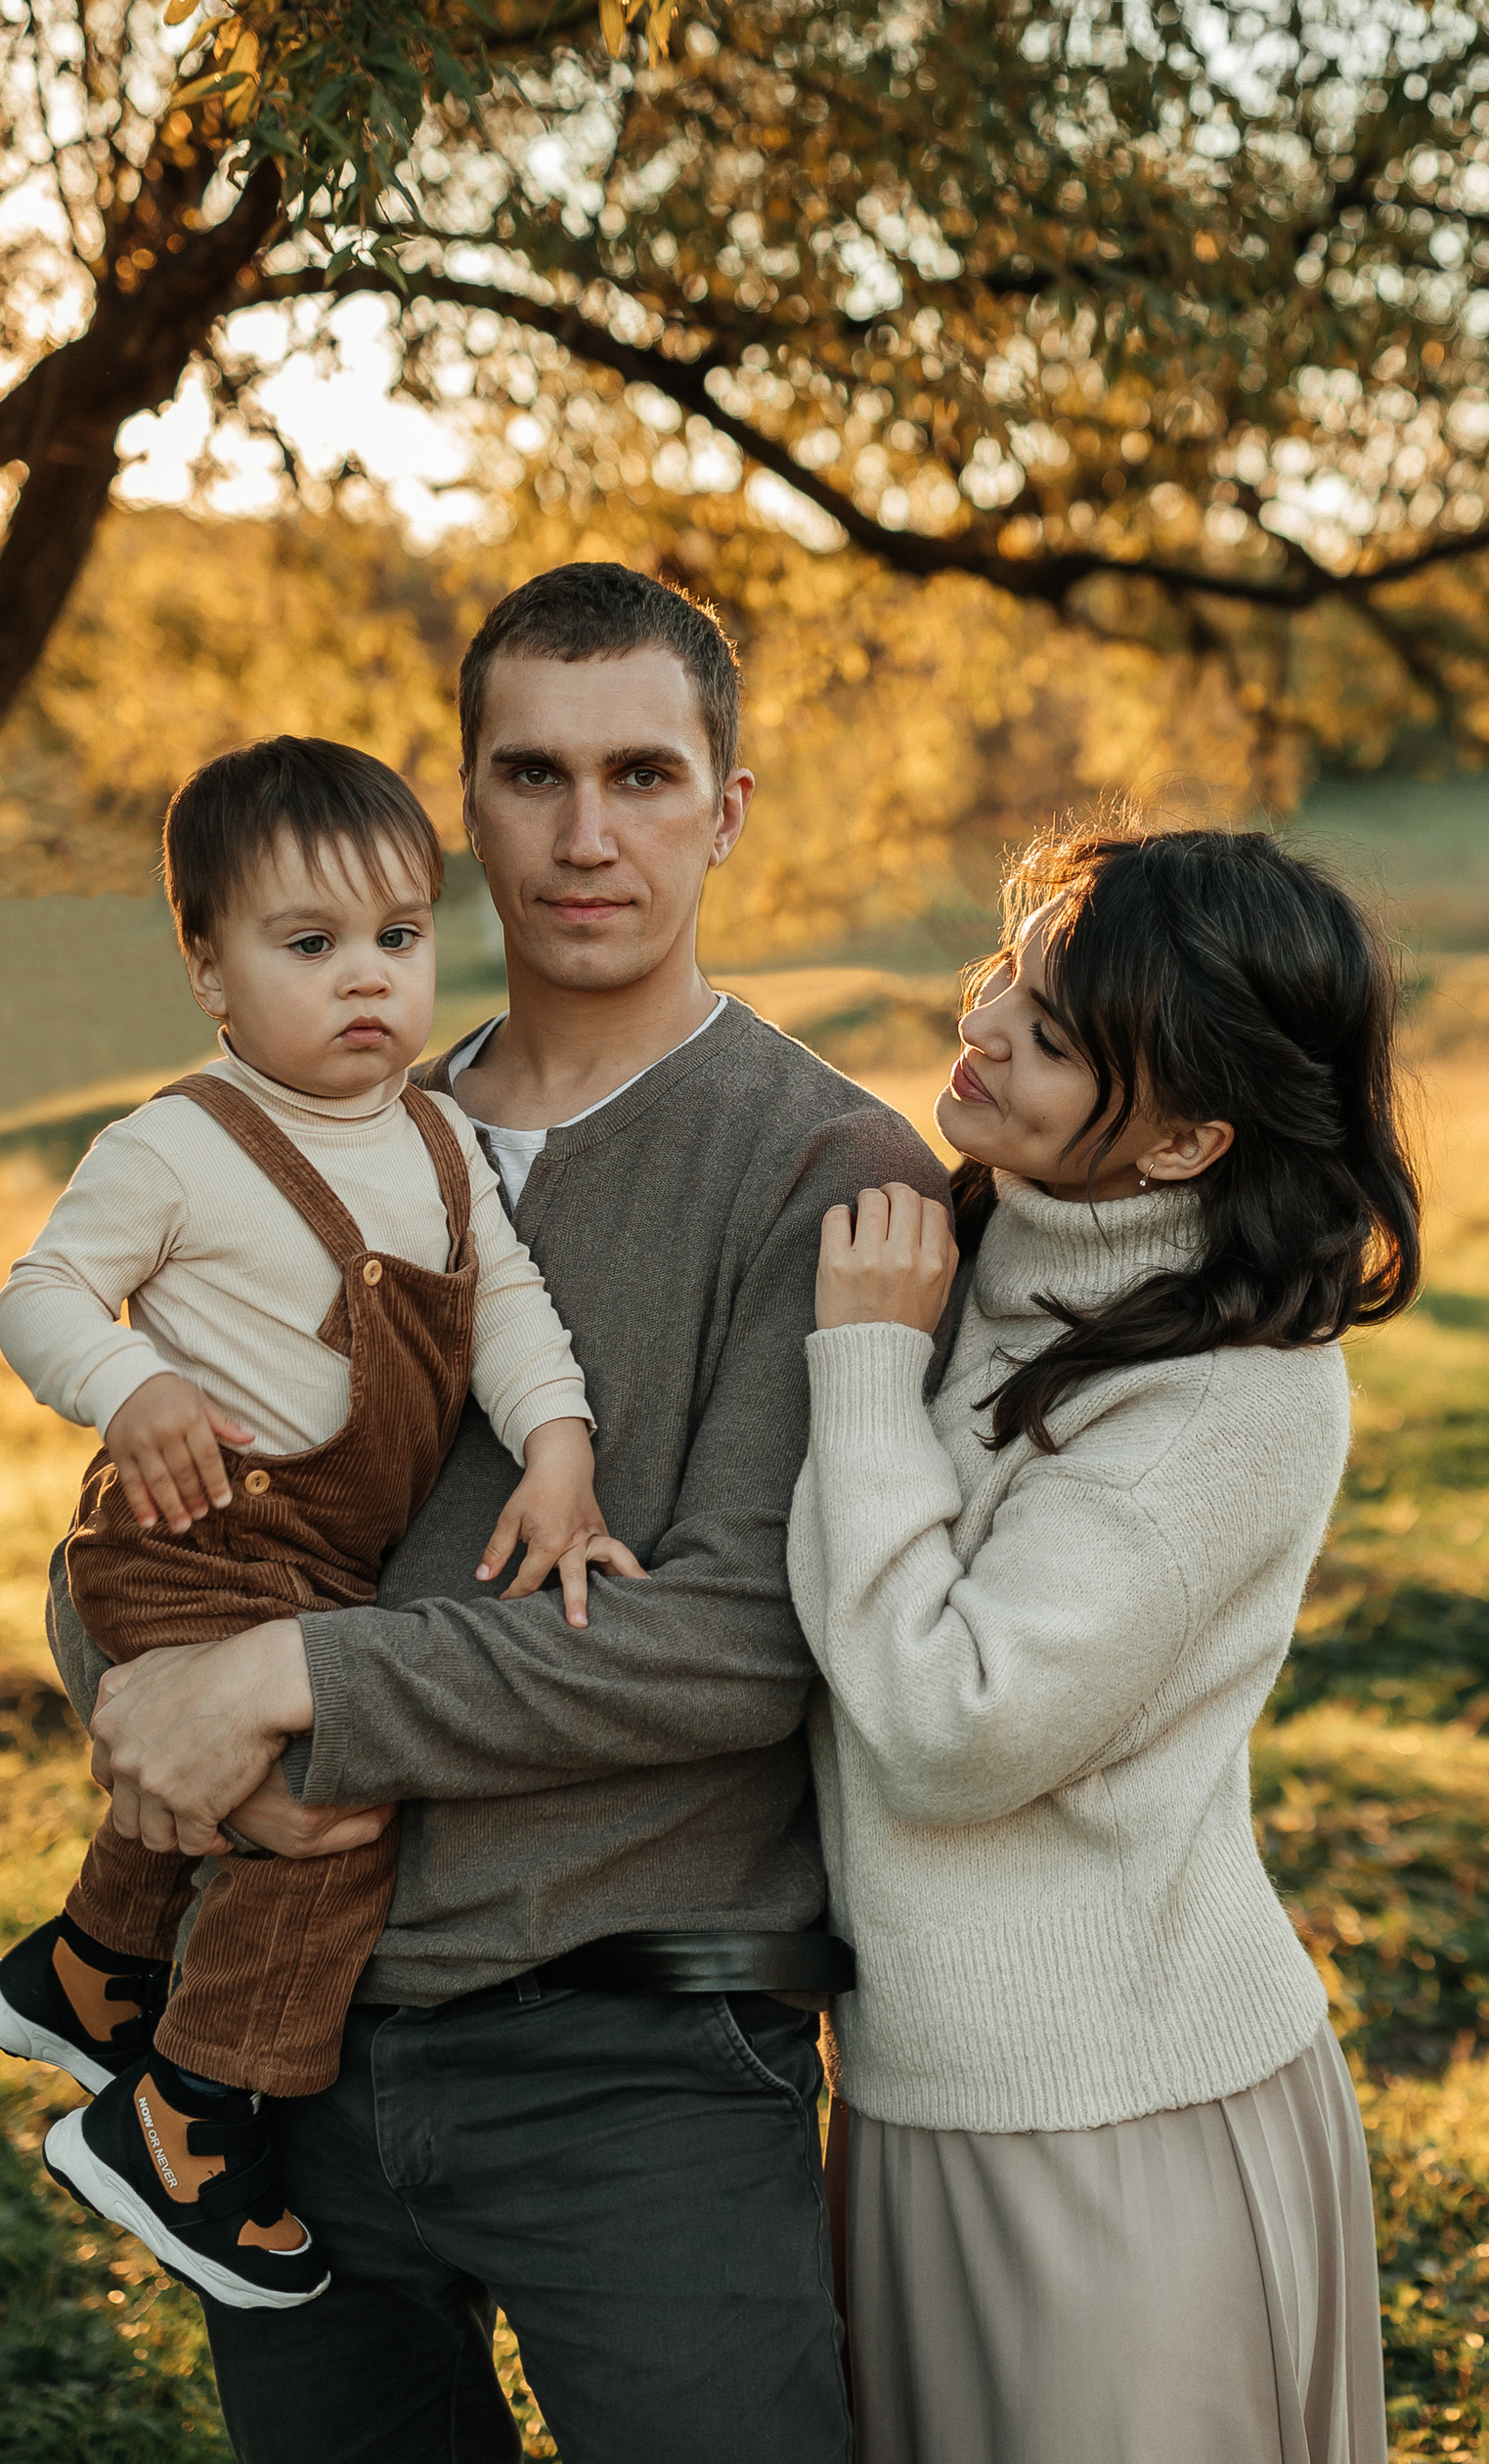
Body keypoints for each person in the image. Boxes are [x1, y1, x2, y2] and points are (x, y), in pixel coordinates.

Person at [55, 562, 942, 2464]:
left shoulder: (824, 1163)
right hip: (287, 2052)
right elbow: (158, 1499)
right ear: (464, 800)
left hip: (631, 2055)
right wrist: (147, 1693)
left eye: (641, 772)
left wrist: (291, 1677)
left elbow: (735, 1635)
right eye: (532, 775)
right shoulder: (311, 1124)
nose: (586, 832)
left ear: (728, 803)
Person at [793, 822, 1417, 2462]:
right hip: (927, 2089)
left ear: (1189, 1137)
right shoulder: (986, 1240)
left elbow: (951, 1729)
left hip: (1108, 2127)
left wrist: (862, 1372)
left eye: (1053, 1035)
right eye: (1013, 970)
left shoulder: (1236, 1396)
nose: (981, 1023)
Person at [0, 737, 621, 2310]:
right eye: (309, 945)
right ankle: (187, 2117)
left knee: (267, 1770)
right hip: (193, 1538)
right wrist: (129, 1384)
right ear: (208, 969)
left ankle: (87, 1972)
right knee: (326, 1824)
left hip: (321, 1572)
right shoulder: (180, 1143)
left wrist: (557, 1446)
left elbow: (514, 1317)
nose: (369, 982)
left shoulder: (440, 1144)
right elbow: (42, 1289)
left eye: (399, 940)